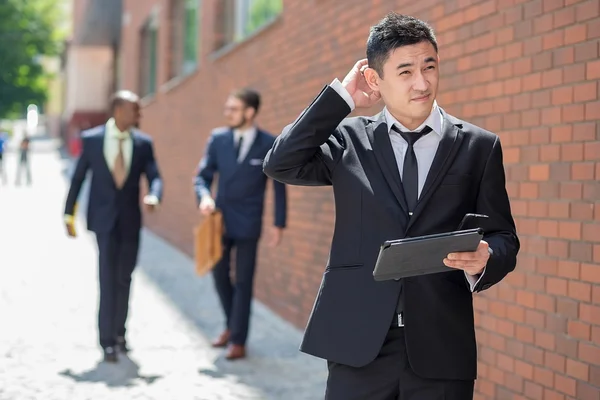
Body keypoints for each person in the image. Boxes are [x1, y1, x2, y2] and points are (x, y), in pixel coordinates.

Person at [263, 13, 520, 400]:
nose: (422, 83)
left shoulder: (479, 147)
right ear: (374, 79)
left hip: (441, 346)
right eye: (405, 71)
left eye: (429, 66)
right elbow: (281, 163)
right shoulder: (349, 139)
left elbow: (504, 236)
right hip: (358, 342)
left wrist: (487, 256)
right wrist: (342, 99)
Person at [64, 90, 163, 363]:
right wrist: (68, 214)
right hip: (103, 222)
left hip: (130, 222)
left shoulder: (143, 143)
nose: (139, 115)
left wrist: (154, 195)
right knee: (107, 279)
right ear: (119, 110)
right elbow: (78, 178)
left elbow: (155, 176)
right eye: (135, 109)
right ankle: (106, 341)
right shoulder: (92, 140)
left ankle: (121, 334)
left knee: (125, 278)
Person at [194, 88, 287, 360]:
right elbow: (202, 176)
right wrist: (203, 197)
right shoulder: (217, 139)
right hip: (218, 221)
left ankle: (238, 340)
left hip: (248, 223)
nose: (228, 114)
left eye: (234, 109)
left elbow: (279, 187)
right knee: (220, 276)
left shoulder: (269, 143)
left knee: (244, 281)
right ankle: (231, 325)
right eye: (227, 108)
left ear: (250, 112)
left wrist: (278, 223)